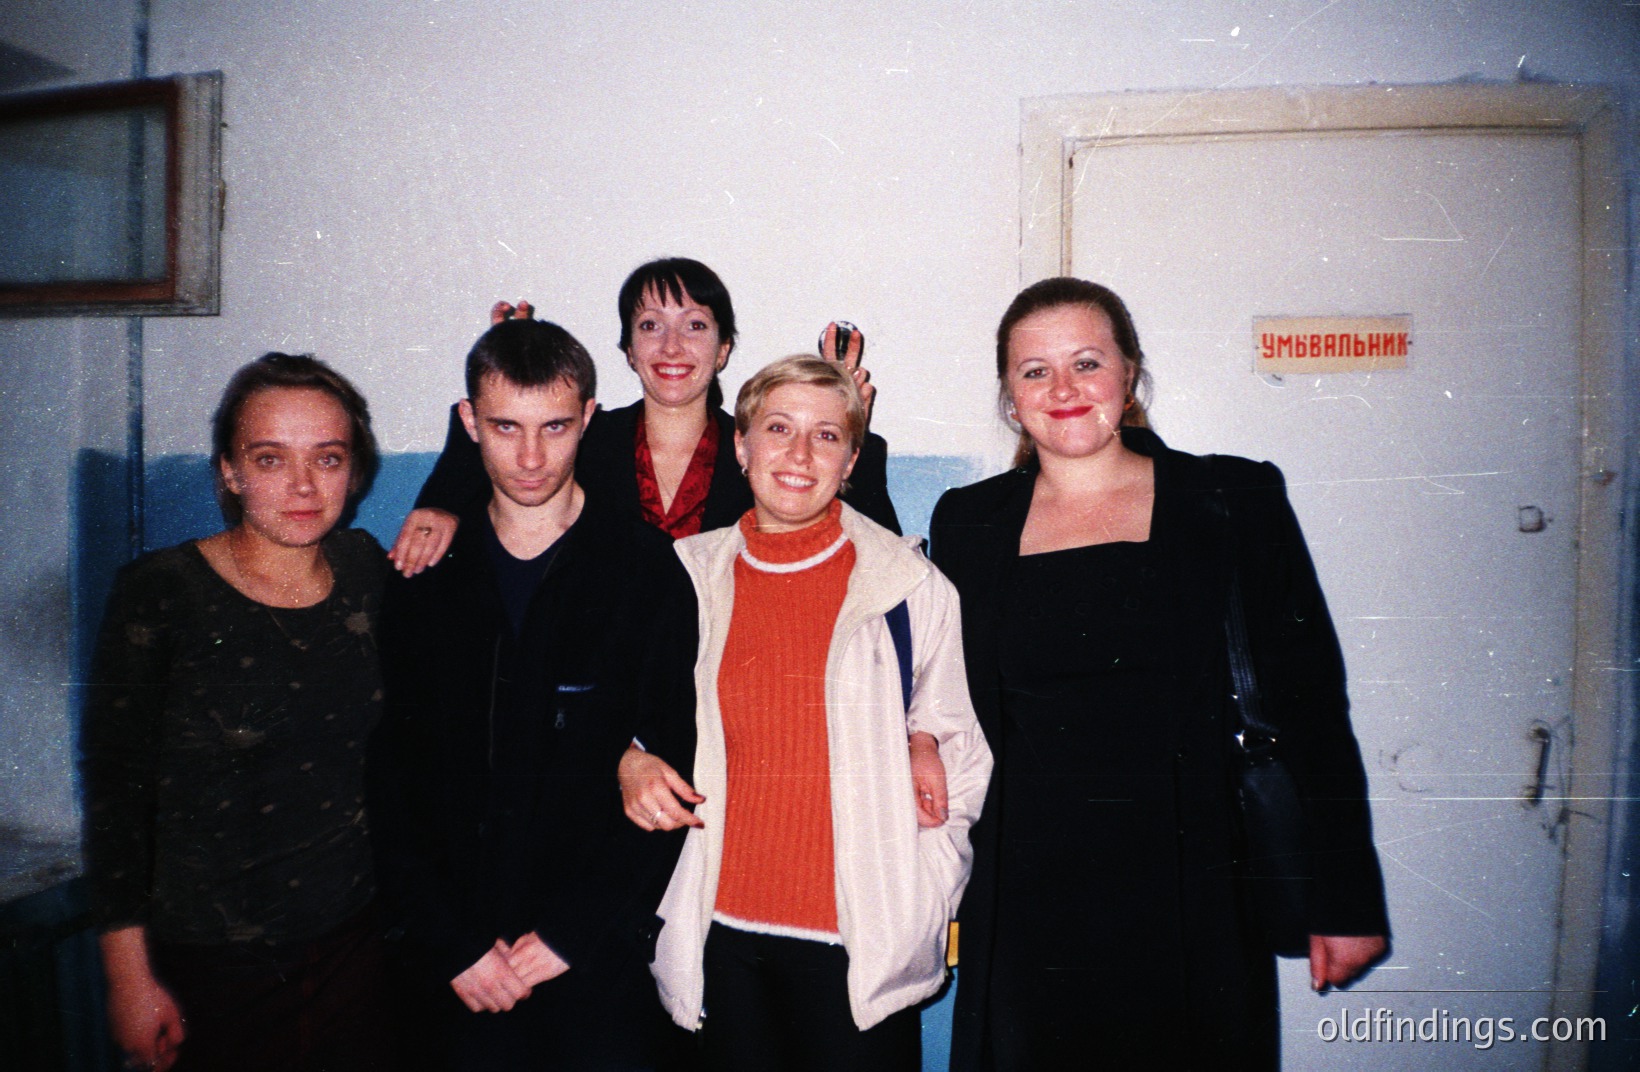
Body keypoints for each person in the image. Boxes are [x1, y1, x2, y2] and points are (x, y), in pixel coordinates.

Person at [930, 277, 1390, 1070]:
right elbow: (935, 688)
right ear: (1009, 397)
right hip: (1026, 896)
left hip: (1192, 889)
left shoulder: (1232, 497)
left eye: (1087, 362)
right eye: (1035, 371)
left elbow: (1314, 706)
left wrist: (1346, 898)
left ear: (1131, 374)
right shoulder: (968, 522)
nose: (1064, 390)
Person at [618, 356, 992, 1072]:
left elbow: (960, 754)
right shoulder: (686, 578)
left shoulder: (911, 587)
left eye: (826, 436)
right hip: (716, 941)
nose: (798, 454)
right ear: (741, 444)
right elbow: (625, 712)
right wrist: (625, 756)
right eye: (778, 428)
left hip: (858, 953)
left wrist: (922, 893)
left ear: (852, 458)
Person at [365, 318, 699, 1070]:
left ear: (587, 418)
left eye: (553, 426)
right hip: (450, 962)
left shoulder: (645, 573)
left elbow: (668, 771)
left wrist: (571, 935)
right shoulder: (424, 578)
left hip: (591, 962)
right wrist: (450, 943)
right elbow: (392, 779)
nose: (529, 457)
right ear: (468, 424)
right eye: (504, 427)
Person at [81, 353, 393, 1071]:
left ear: (355, 467)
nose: (304, 486)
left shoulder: (365, 572)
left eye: (328, 457)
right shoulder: (161, 591)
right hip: (207, 967)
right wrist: (129, 979)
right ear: (229, 470)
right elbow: (115, 794)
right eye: (270, 459)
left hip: (354, 950)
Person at [389, 257, 899, 576]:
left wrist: (852, 425)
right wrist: (443, 499)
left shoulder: (760, 449)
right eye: (651, 325)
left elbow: (881, 547)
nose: (672, 345)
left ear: (723, 349)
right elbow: (504, 455)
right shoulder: (583, 439)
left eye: (695, 325)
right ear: (629, 349)